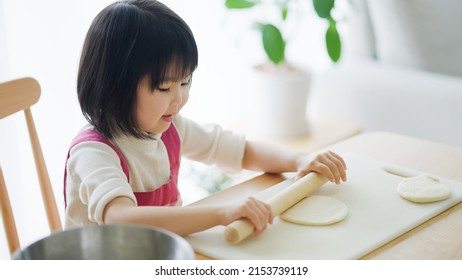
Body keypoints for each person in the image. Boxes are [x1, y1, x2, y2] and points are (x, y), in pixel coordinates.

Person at [64, 0, 347, 238]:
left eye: (185, 83)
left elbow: (240, 151)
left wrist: (298, 160)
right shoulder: (94, 152)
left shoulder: (170, 127)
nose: (179, 98)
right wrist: (221, 213)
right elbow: (121, 219)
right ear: (115, 87)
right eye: (164, 87)